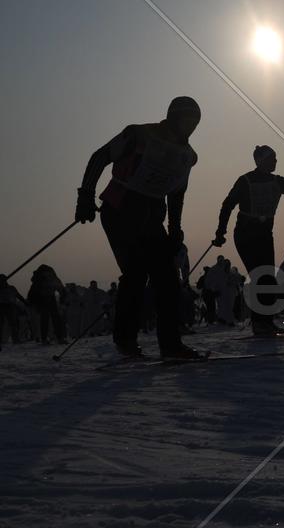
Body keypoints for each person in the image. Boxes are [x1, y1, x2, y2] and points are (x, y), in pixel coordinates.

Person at [76, 96, 202, 358]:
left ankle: (171, 345)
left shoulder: (187, 156)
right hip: (120, 208)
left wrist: (175, 228)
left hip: (152, 215)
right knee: (135, 274)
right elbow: (100, 157)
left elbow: (177, 193)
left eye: (195, 122)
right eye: (186, 119)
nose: (190, 126)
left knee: (167, 279)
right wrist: (86, 195)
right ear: (173, 117)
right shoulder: (138, 134)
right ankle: (125, 340)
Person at [213, 145, 284, 334]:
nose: (275, 162)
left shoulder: (277, 181)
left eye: (275, 158)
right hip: (245, 234)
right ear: (261, 161)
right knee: (260, 276)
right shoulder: (245, 181)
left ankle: (265, 321)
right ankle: (259, 323)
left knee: (268, 278)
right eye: (272, 159)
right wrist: (220, 232)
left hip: (264, 235)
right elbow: (228, 204)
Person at [27, 264, 67, 344]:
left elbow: (60, 287)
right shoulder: (39, 280)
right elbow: (60, 287)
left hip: (49, 298)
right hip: (43, 299)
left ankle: (55, 338)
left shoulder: (43, 279)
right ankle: (50, 338)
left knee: (51, 318)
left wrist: (62, 298)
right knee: (47, 318)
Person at [0, 274, 27, 350]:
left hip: (10, 306)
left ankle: (15, 339)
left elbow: (18, 296)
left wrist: (25, 302)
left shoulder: (11, 288)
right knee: (1, 324)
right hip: (1, 306)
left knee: (13, 324)